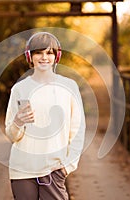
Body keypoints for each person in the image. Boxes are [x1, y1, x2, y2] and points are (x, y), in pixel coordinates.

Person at [5, 32, 86, 200]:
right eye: (38, 52)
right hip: (22, 169)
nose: (44, 57)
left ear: (56, 56)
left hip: (54, 168)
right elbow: (12, 136)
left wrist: (67, 167)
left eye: (49, 53)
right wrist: (18, 122)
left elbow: (77, 131)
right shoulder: (19, 89)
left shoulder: (69, 86)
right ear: (30, 56)